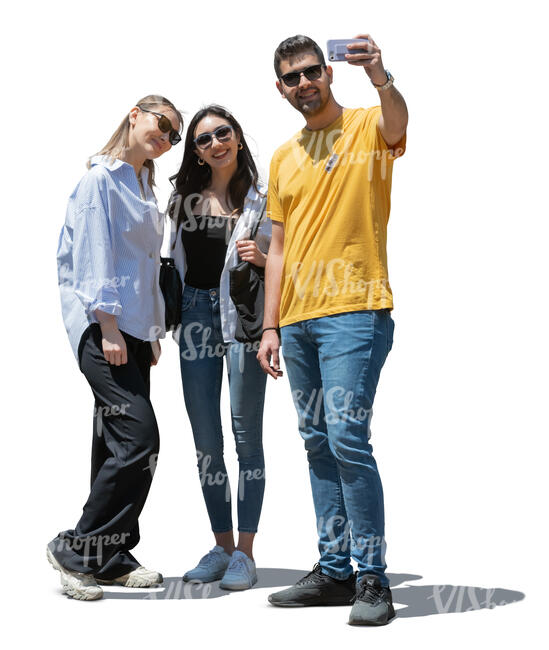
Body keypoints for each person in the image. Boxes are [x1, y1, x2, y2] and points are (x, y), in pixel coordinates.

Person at [257, 34, 408, 625]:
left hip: (355, 308)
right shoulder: (282, 155)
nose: (304, 84)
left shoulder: (369, 125)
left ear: (328, 73)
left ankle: (372, 577)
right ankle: (335, 570)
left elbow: (399, 123)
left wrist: (380, 74)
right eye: (292, 77)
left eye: (311, 72)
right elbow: (278, 249)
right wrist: (269, 326)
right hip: (295, 320)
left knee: (347, 438)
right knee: (317, 443)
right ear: (281, 87)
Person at [48, 95, 183, 600]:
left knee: (111, 440)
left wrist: (149, 332)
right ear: (134, 116)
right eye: (160, 123)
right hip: (100, 325)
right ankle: (77, 548)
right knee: (139, 440)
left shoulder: (143, 186)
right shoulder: (98, 181)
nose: (166, 136)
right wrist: (106, 325)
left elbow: (146, 267)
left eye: (173, 134)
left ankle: (110, 554)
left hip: (132, 330)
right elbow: (92, 256)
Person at [168, 105, 271, 591]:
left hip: (243, 321)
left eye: (223, 133)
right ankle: (221, 544)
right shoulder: (183, 197)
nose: (215, 144)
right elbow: (168, 263)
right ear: (196, 151)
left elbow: (286, 261)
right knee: (207, 441)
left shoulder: (264, 196)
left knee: (246, 436)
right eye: (203, 139)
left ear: (238, 137)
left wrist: (264, 255)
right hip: (194, 317)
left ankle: (245, 554)